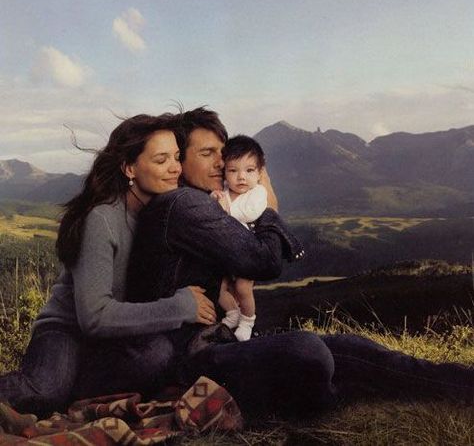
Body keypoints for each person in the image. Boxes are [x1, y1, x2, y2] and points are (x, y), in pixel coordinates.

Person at [127, 106, 474, 417]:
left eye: (223, 150)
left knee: (349, 346)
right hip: (189, 359)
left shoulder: (208, 202)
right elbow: (263, 261)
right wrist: (269, 204)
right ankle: (332, 395)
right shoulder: (184, 204)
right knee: (307, 350)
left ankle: (455, 382)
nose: (222, 161)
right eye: (207, 153)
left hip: (219, 342)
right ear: (180, 162)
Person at [0, 114, 217, 416]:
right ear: (130, 168)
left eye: (177, 158)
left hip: (116, 338)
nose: (175, 168)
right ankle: (59, 389)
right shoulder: (102, 219)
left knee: (157, 356)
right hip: (69, 330)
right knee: (46, 390)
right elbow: (95, 316)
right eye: (161, 160)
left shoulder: (167, 208)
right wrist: (181, 306)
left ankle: (72, 391)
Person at [211, 135, 271, 341]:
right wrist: (214, 201)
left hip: (247, 250)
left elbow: (251, 213)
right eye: (233, 170)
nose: (241, 177)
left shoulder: (258, 192)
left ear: (259, 173)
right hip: (225, 252)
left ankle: (247, 321)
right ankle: (232, 312)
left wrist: (225, 211)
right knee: (219, 287)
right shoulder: (224, 192)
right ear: (225, 172)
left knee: (243, 287)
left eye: (249, 170)